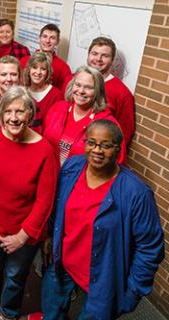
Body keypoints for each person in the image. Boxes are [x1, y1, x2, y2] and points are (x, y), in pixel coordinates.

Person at [39, 119, 164, 320]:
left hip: (105, 277)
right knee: (51, 313)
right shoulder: (72, 167)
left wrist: (133, 291)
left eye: (105, 145)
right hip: (62, 263)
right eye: (91, 142)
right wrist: (49, 238)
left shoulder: (136, 193)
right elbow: (57, 205)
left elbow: (149, 247)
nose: (96, 150)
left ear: (118, 148)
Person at [0, 86, 57, 320]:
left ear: (29, 115)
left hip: (24, 231)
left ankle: (9, 310)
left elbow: (45, 201)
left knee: (14, 275)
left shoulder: (44, 151)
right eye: (9, 111)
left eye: (20, 112)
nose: (14, 118)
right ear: (1, 114)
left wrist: (22, 237)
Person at [43, 65, 126, 165]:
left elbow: (116, 164)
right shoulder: (57, 109)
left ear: (98, 91)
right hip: (49, 175)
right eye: (78, 85)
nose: (81, 91)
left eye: (88, 87)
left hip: (80, 179)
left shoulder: (107, 124)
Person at [20, 24, 71, 91]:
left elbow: (64, 94)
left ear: (57, 41)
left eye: (52, 38)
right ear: (39, 38)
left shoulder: (64, 68)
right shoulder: (24, 61)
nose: (47, 41)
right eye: (45, 36)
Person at [24, 52, 63, 120]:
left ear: (48, 72)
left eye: (43, 69)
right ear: (29, 69)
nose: (38, 72)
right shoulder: (23, 91)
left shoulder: (56, 96)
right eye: (35, 68)